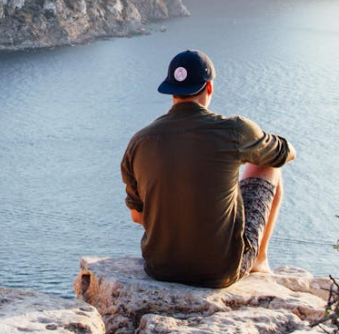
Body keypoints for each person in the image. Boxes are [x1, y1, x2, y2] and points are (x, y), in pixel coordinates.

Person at [121, 50, 296, 288]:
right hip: (219, 271)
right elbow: (284, 154)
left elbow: (137, 215)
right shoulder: (234, 130)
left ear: (172, 91)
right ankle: (259, 260)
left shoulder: (139, 141)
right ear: (209, 88)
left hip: (160, 267)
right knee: (269, 166)